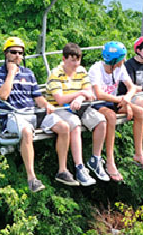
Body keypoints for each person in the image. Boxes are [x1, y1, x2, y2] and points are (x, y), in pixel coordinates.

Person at [0, 36, 73, 192]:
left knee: (64, 126)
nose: (17, 56)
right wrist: (11, 74)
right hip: (14, 116)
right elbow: (2, 95)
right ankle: (32, 178)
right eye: (13, 52)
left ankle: (62, 170)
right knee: (27, 132)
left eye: (20, 53)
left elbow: (38, 97)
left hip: (33, 113)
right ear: (6, 54)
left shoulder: (28, 73)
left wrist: (46, 105)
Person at [45, 43, 107, 185]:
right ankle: (79, 167)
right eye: (72, 60)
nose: (75, 64)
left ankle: (96, 159)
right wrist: (79, 94)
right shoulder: (56, 74)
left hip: (80, 106)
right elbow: (59, 99)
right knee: (75, 123)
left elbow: (89, 93)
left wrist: (80, 98)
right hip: (60, 110)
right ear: (64, 59)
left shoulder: (81, 71)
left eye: (78, 60)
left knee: (101, 121)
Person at [88, 41, 143, 179]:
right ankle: (110, 160)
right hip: (98, 103)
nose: (124, 61)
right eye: (122, 58)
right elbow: (99, 94)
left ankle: (139, 153)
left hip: (115, 100)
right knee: (111, 116)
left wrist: (127, 99)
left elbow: (131, 87)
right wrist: (122, 101)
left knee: (139, 112)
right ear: (115, 60)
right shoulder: (96, 69)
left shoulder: (119, 69)